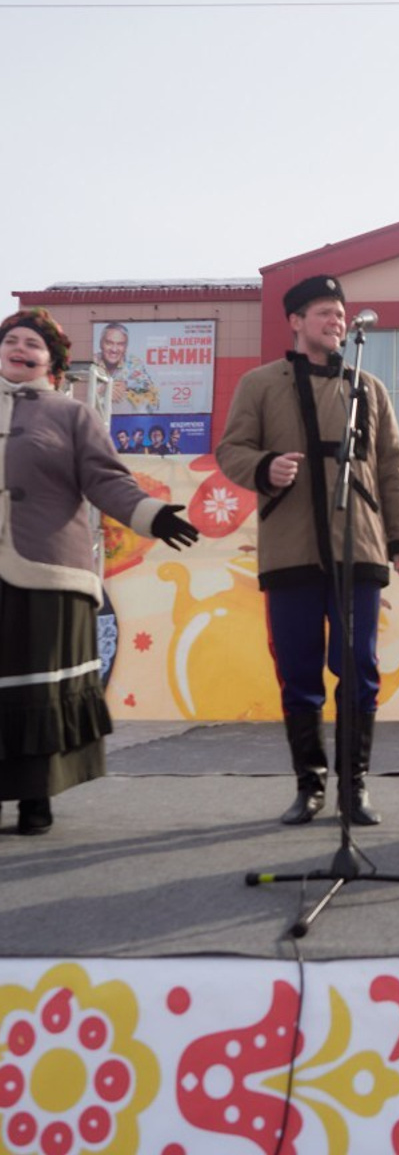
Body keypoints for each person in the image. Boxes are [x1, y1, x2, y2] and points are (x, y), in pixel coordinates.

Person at [216, 275, 399, 826]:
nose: (337, 321)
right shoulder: (260, 384)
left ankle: (354, 787)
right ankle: (310, 785)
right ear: (296, 322)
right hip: (291, 549)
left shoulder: (368, 389)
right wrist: (264, 468)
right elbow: (231, 448)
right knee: (298, 671)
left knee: (358, 668)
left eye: (340, 312)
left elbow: (392, 467)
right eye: (325, 312)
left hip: (360, 546)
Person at [0, 308, 197, 835]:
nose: (20, 349)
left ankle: (35, 798)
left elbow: (106, 480)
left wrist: (151, 515)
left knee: (38, 690)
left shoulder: (70, 415)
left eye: (33, 345)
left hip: (47, 571)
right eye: (11, 340)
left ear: (51, 361)